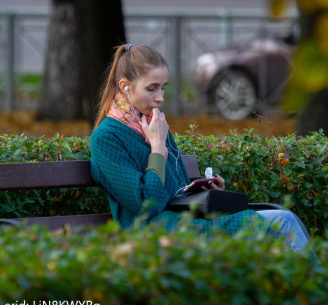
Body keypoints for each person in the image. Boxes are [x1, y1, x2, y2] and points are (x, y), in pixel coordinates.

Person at [90, 44, 311, 251]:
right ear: (125, 87)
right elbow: (148, 206)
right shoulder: (107, 138)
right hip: (154, 237)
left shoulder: (150, 124)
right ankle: (318, 290)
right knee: (282, 222)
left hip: (187, 225)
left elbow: (178, 190)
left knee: (281, 220)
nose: (160, 98)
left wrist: (204, 191)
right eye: (151, 89)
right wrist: (157, 147)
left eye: (163, 88)